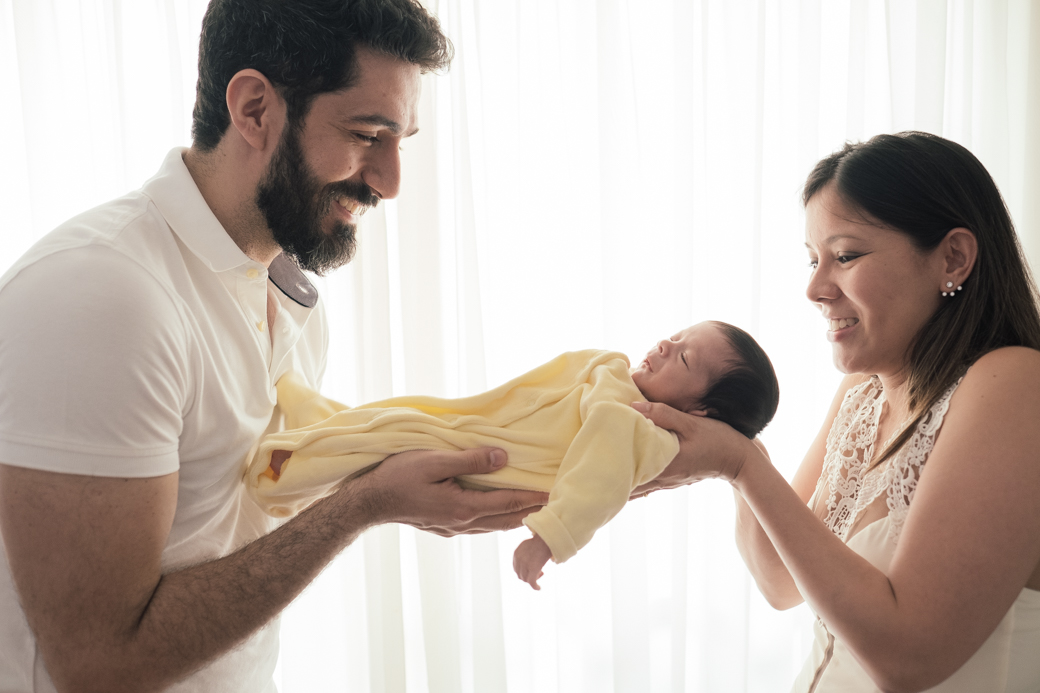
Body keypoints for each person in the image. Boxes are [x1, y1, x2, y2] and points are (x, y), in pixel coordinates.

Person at [0, 2, 548, 691]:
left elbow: (231, 528)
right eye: (368, 135)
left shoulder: (285, 295)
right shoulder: (103, 297)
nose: (390, 180)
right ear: (255, 109)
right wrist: (364, 504)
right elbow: (100, 661)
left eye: (400, 140)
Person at [633, 131, 1040, 691]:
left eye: (845, 256)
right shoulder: (860, 398)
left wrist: (741, 465)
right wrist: (733, 445)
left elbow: (910, 660)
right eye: (812, 259)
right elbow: (780, 581)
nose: (815, 288)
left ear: (953, 257)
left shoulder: (1014, 380)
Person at [243, 320, 780, 589]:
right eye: (674, 335)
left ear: (702, 414)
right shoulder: (620, 378)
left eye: (682, 358)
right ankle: (304, 420)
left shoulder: (645, 430)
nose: (663, 346)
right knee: (382, 421)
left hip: (493, 459)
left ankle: (288, 466)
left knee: (383, 437)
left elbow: (599, 481)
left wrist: (549, 538)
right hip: (479, 428)